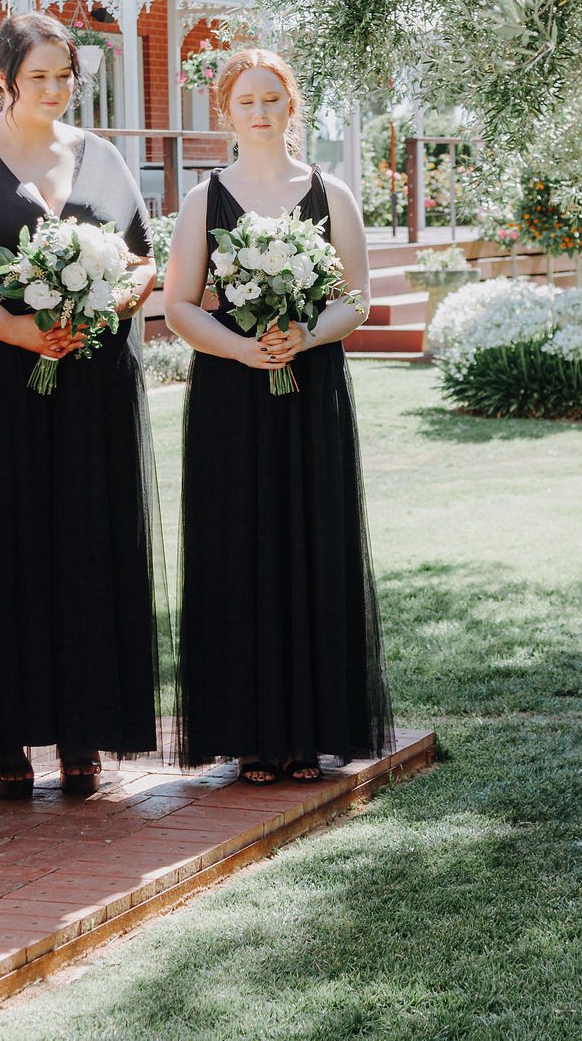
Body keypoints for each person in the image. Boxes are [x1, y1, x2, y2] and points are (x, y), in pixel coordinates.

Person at [0, 12, 167, 799]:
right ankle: (0, 734)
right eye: (39, 77)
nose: (55, 90)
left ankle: (85, 727)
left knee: (85, 543)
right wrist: (14, 329)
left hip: (88, 385)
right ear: (2, 79)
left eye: (66, 76)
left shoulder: (103, 156)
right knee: (0, 545)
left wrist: (103, 305)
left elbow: (140, 261)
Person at [163, 48, 392, 784]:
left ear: (293, 105)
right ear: (225, 111)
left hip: (310, 390)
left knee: (310, 543)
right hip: (232, 397)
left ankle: (310, 731)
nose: (259, 111)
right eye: (245, 100)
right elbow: (177, 306)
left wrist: (306, 333)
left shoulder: (332, 194)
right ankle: (248, 734)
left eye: (272, 98)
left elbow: (355, 297)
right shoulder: (205, 199)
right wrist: (239, 347)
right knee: (237, 549)